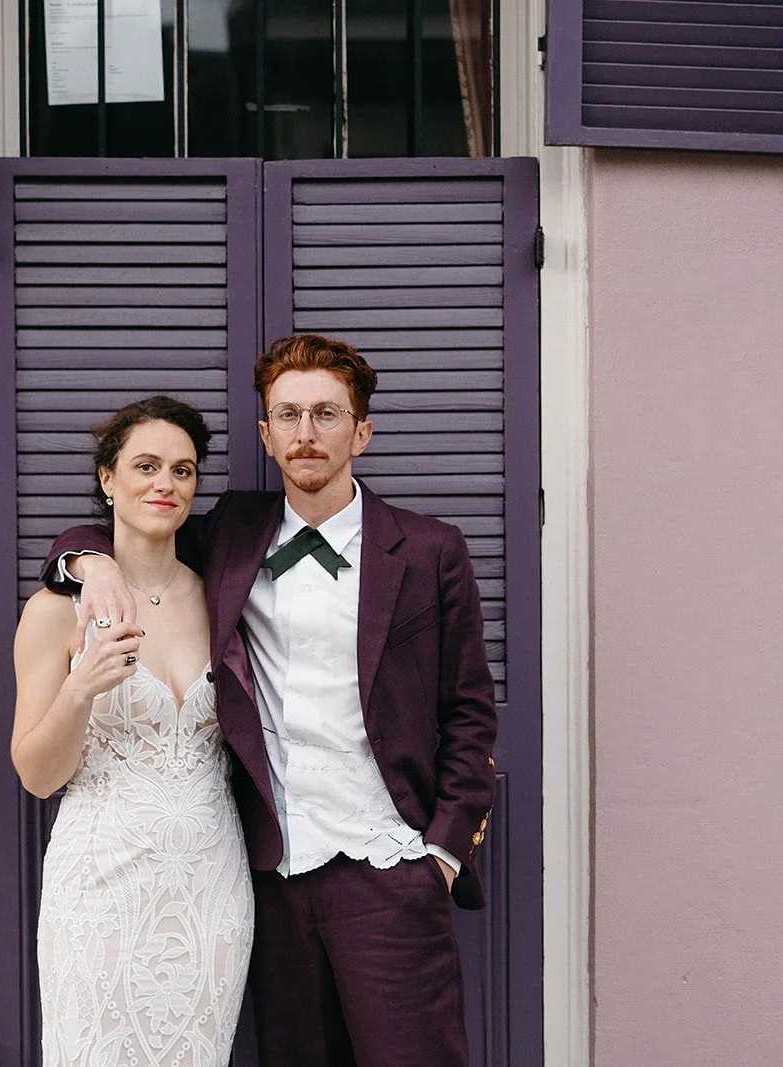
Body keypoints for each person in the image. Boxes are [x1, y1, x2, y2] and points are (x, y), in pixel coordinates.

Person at [44, 334, 498, 1067]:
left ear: (362, 430)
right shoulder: (233, 533)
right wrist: (84, 560)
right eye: (287, 416)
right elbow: (134, 523)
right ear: (265, 432)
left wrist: (441, 851)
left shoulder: (429, 549)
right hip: (273, 881)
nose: (306, 433)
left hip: (390, 868)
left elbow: (472, 711)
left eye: (326, 414)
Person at [10, 395, 254, 1067]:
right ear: (107, 478)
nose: (165, 484)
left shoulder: (223, 598)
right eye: (145, 465)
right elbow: (35, 771)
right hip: (102, 890)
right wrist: (81, 685)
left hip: (211, 888)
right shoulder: (55, 613)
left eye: (183, 470)